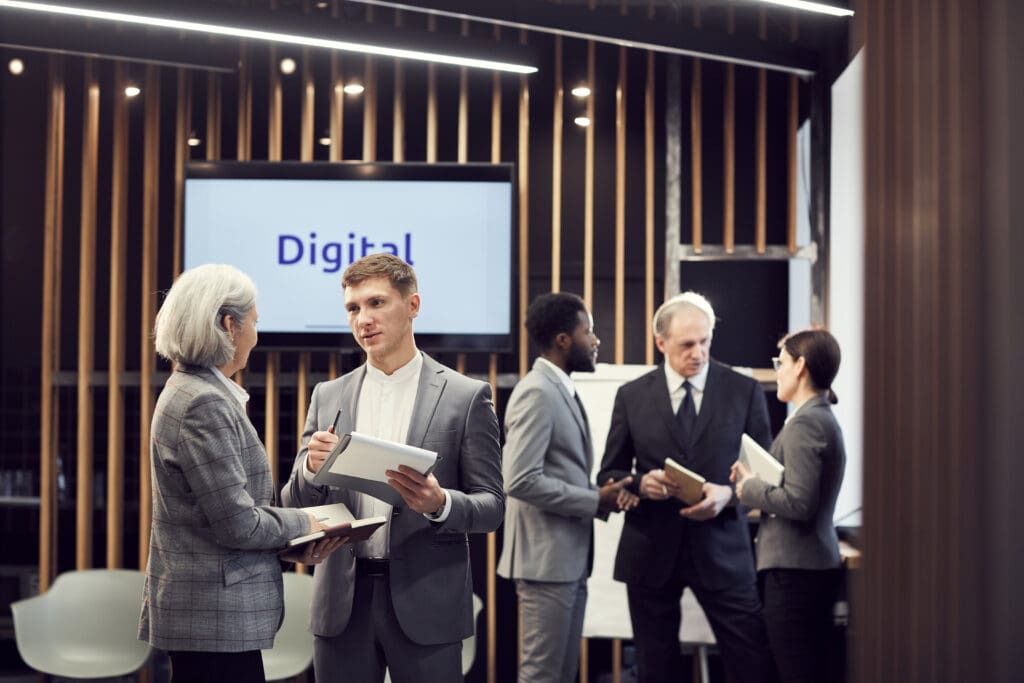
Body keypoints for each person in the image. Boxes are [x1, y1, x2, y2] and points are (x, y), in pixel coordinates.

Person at [280, 253, 503, 683]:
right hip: (342, 603)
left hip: (428, 603)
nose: (363, 319)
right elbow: (293, 503)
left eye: (376, 303)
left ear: (413, 306)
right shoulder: (328, 395)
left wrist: (440, 504)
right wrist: (310, 468)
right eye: (353, 308)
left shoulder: (465, 397)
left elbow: (492, 507)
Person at [139, 264, 343, 683]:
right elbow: (238, 524)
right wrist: (311, 522)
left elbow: (218, 521)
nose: (256, 333)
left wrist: (287, 547)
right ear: (229, 325)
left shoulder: (196, 391)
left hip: (212, 618)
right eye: (254, 321)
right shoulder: (203, 403)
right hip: (213, 620)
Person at [597, 291, 776, 683]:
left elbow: (765, 474)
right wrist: (641, 483)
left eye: (706, 341)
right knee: (656, 667)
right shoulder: (632, 395)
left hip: (724, 547)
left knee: (751, 661)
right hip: (650, 551)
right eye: (687, 344)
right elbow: (608, 474)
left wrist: (729, 495)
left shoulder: (743, 390)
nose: (699, 352)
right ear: (661, 343)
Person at [497, 292, 636, 683]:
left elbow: (556, 471)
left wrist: (604, 494)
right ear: (563, 340)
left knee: (559, 674)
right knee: (543, 675)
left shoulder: (558, 388)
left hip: (564, 561)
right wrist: (594, 499)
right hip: (546, 565)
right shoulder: (537, 392)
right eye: (588, 332)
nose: (595, 341)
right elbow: (519, 479)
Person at [731, 329, 846, 683]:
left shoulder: (806, 423)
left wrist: (749, 487)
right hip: (807, 567)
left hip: (796, 572)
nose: (777, 371)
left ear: (800, 367)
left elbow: (799, 502)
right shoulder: (818, 417)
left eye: (780, 363)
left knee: (798, 671)